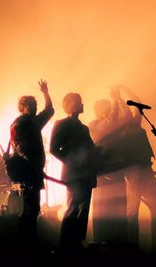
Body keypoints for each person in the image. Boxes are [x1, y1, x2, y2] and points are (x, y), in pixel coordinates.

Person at [90, 85, 156, 251]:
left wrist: (125, 91)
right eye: (110, 109)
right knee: (132, 212)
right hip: (131, 171)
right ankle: (133, 246)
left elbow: (137, 106)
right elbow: (115, 119)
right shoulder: (103, 127)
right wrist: (116, 99)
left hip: (145, 168)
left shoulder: (130, 124)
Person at [50, 92, 100, 252]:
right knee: (74, 208)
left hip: (85, 174)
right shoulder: (62, 124)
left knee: (82, 210)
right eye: (80, 102)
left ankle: (75, 243)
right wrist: (73, 162)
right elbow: (53, 148)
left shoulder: (83, 128)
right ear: (72, 104)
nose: (83, 104)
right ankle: (65, 245)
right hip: (75, 175)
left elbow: (89, 149)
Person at [9, 79, 54, 244]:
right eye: (32, 105)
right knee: (29, 208)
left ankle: (28, 242)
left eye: (35, 104)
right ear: (23, 107)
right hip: (26, 172)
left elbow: (49, 110)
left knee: (33, 208)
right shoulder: (20, 124)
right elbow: (20, 147)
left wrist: (45, 93)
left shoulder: (33, 122)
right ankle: (25, 244)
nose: (35, 107)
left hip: (31, 171)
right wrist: (34, 166)